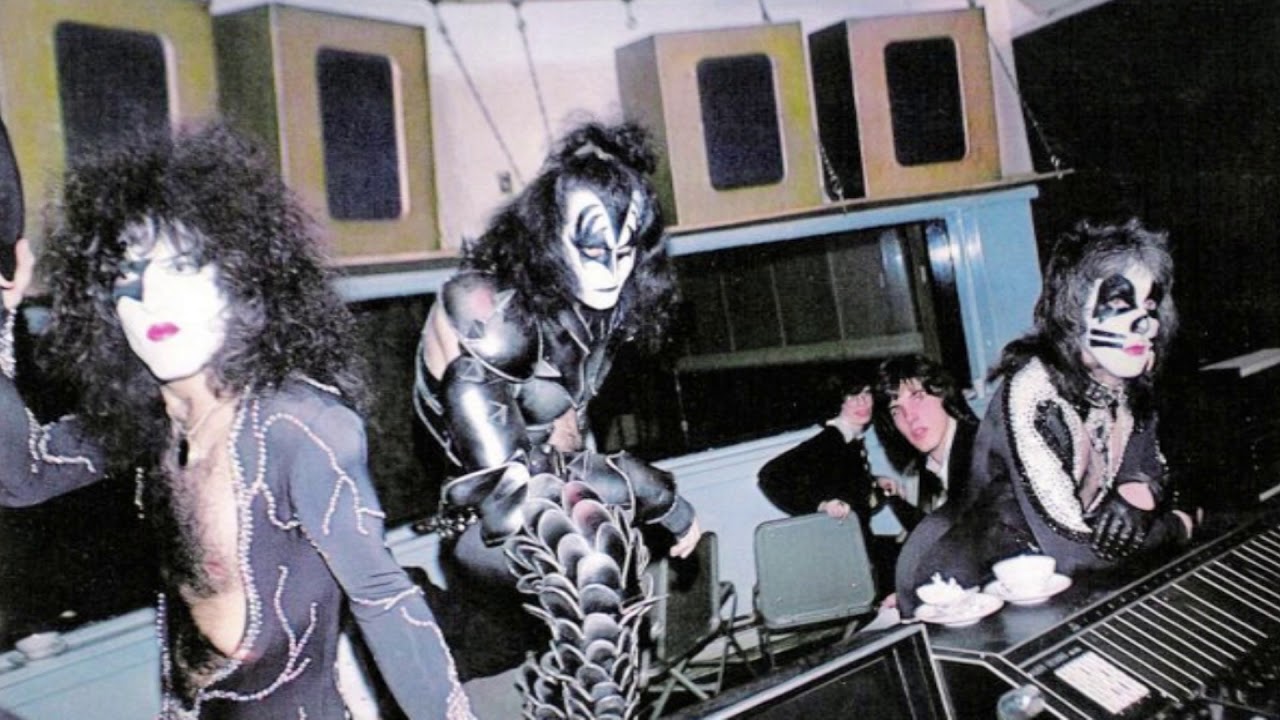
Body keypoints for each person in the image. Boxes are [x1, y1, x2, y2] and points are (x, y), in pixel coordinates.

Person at [8, 124, 471, 719]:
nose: (153, 299)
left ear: (242, 278)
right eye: (128, 274)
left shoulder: (298, 426)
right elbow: (24, 476)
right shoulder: (148, 419)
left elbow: (384, 598)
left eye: (183, 267)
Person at [413, 120, 701, 716]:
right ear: (549, 238)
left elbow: (570, 441)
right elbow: (518, 494)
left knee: (607, 587)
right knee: (588, 564)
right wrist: (660, 497)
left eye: (626, 251)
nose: (612, 271)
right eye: (593, 250)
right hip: (486, 521)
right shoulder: (490, 312)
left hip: (554, 502)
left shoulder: (596, 310)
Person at [905, 219, 1196, 609]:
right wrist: (1178, 526)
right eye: (1118, 306)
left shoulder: (1119, 377)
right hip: (956, 584)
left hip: (1039, 577)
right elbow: (1073, 552)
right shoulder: (1033, 397)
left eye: (1148, 307)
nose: (1146, 325)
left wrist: (1139, 503)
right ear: (1072, 313)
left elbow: (1144, 470)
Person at [757, 382, 907, 597]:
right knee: (909, 563)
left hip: (856, 542)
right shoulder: (830, 440)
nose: (862, 402)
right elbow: (769, 476)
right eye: (851, 396)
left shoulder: (849, 438)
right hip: (843, 553)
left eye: (866, 393)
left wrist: (875, 481)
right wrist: (821, 505)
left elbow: (842, 479)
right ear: (838, 403)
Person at [870, 354, 980, 618]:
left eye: (917, 397)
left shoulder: (980, 452)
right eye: (896, 410)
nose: (909, 417)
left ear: (943, 394)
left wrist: (915, 595)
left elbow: (978, 553)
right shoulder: (929, 469)